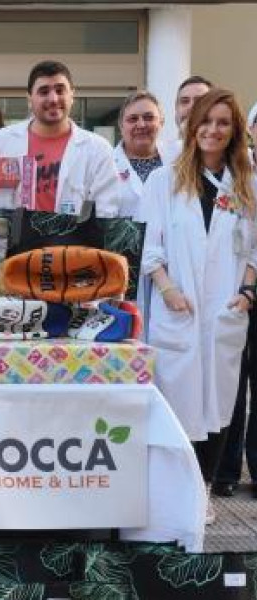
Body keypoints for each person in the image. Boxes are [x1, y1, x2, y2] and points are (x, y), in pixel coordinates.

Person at [141, 88, 257, 524]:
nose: (212, 129)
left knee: (219, 407)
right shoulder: (165, 180)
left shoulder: (248, 184)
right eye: (206, 121)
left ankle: (203, 492)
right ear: (192, 127)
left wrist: (246, 294)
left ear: (234, 131)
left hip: (225, 311)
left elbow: (254, 254)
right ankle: (172, 490)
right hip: (179, 310)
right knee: (176, 404)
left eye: (223, 123)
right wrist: (168, 290)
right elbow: (151, 251)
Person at [0, 60, 119, 217]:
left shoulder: (98, 149)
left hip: (73, 241)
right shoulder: (2, 141)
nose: (53, 99)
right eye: (44, 91)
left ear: (72, 95)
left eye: (60, 90)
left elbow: (106, 211)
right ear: (29, 99)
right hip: (13, 240)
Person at [212, 99, 257, 499]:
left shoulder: (245, 178)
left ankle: (243, 473)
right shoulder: (243, 176)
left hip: (240, 292)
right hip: (227, 295)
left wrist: (247, 288)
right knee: (229, 385)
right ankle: (220, 474)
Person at [113, 90, 168, 218]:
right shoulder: (105, 165)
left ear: (161, 122)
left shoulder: (177, 160)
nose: (141, 124)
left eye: (149, 117)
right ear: (121, 126)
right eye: (133, 119)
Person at [163, 76, 213, 165]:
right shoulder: (163, 157)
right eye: (184, 101)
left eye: (199, 101)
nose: (191, 107)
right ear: (176, 111)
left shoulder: (241, 158)